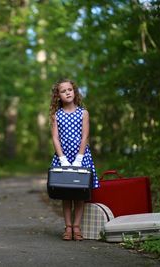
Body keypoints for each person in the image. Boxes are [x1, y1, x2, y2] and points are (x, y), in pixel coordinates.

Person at [49, 78, 99, 241]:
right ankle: (68, 227)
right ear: (58, 96)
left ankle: (77, 227)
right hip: (63, 157)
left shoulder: (83, 113)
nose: (67, 93)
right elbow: (55, 138)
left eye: (69, 89)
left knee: (79, 194)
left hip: (81, 157)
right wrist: (62, 158)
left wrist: (79, 157)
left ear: (75, 91)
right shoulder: (56, 115)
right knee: (66, 194)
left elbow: (85, 135)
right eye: (63, 91)